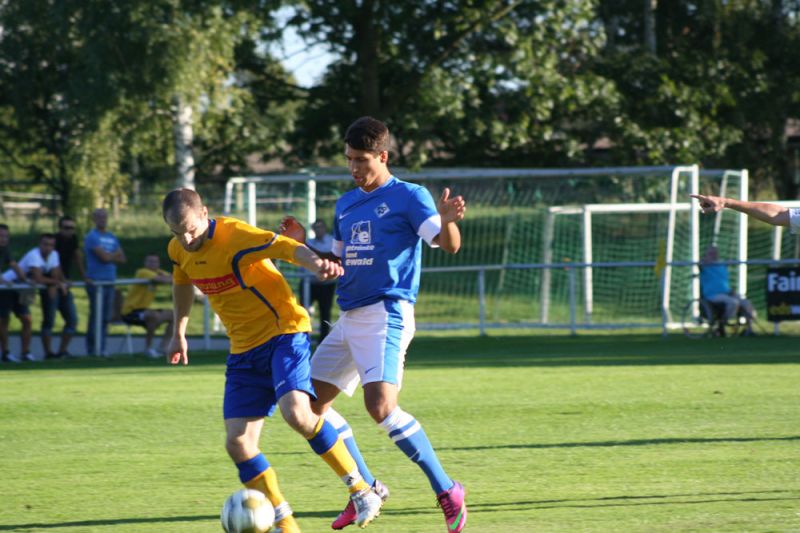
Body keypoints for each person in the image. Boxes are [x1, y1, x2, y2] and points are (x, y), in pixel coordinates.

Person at [280, 116, 468, 532]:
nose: (354, 167)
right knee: (306, 408)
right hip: (349, 317)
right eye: (349, 159)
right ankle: (366, 488)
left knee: (380, 407)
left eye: (361, 160)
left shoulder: (410, 196)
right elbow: (339, 262)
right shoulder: (346, 204)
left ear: (383, 156)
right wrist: (301, 244)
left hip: (387, 312)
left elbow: (447, 244)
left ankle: (447, 489)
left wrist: (448, 220)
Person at [162, 188, 383, 533]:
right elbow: (182, 283)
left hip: (284, 332)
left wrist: (317, 264)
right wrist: (179, 331)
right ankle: (284, 523)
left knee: (297, 414)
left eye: (190, 229)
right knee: (238, 443)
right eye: (177, 232)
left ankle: (362, 490)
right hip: (243, 350)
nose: (186, 240)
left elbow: (284, 247)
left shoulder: (235, 235)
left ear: (204, 213)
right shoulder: (177, 250)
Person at [84, 208, 126, 356]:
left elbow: (122, 258)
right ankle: (92, 349)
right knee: (96, 316)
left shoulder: (111, 236)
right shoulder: (92, 237)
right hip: (96, 282)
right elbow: (105, 258)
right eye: (99, 217)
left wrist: (109, 255)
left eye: (104, 217)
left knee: (106, 317)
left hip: (110, 281)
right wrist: (112, 255)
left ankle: (101, 348)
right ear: (94, 219)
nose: (102, 219)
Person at [120, 254, 174, 358]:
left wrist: (170, 277)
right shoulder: (142, 272)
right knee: (153, 316)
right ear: (145, 263)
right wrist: (168, 278)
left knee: (175, 315)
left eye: (155, 261)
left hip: (144, 310)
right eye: (150, 261)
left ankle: (163, 347)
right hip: (130, 312)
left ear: (158, 263)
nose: (152, 264)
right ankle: (148, 349)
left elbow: (173, 278)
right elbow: (164, 280)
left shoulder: (159, 272)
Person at [699, 245, 755, 336]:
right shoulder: (704, 265)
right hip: (712, 295)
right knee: (733, 302)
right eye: (711, 253)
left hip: (727, 293)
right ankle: (722, 323)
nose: (713, 255)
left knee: (746, 303)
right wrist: (705, 261)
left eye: (715, 253)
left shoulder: (721, 264)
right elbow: (700, 263)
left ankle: (749, 329)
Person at [298, 219, 337, 341]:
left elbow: (331, 259)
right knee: (303, 311)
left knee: (325, 312)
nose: (319, 230)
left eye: (321, 227)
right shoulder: (308, 243)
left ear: (325, 228)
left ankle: (324, 340)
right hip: (309, 283)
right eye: (316, 227)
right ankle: (302, 336)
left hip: (326, 285)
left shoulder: (332, 242)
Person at [0, 224, 32, 363]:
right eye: (1, 236)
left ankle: (25, 353)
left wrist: (25, 280)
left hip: (8, 288)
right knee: (3, 320)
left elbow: (14, 265)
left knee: (26, 318)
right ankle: (5, 353)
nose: (4, 239)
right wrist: (4, 282)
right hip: (4, 288)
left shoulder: (6, 249)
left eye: (6, 236)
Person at [54, 215, 84, 357]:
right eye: (66, 228)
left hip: (64, 285)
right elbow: (54, 263)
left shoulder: (73, 239)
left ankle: (62, 351)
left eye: (72, 228)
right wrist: (63, 280)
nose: (69, 231)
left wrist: (84, 276)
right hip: (52, 284)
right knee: (49, 321)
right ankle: (48, 354)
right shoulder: (54, 241)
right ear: (60, 228)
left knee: (72, 320)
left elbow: (77, 257)